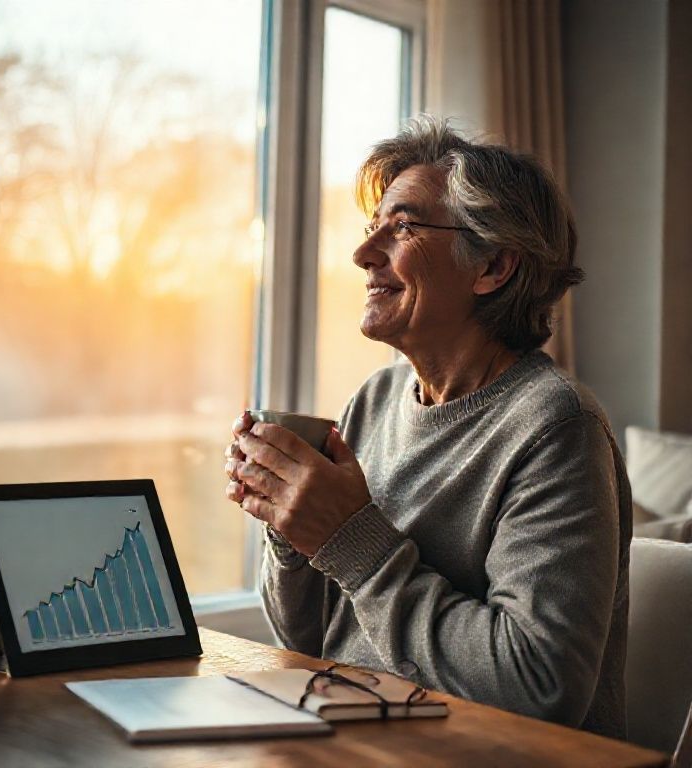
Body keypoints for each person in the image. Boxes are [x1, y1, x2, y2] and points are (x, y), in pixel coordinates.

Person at [224, 116, 631, 739]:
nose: (363, 254)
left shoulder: (556, 428)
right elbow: (311, 640)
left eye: (403, 227)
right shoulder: (376, 399)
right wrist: (292, 523)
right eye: (372, 227)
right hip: (357, 742)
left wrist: (348, 538)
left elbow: (538, 688)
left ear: (492, 265)